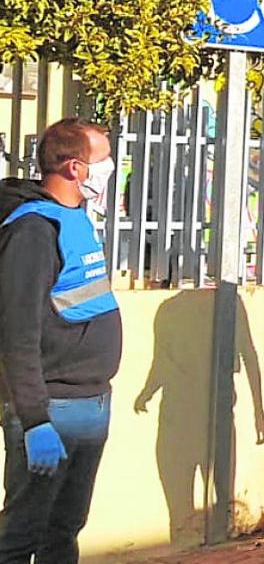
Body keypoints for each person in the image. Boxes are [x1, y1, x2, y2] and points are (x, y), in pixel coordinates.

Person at [0, 119, 123, 563]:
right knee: (21, 536)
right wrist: (34, 421)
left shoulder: (73, 219)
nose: (112, 167)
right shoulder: (32, 230)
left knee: (63, 531)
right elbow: (16, 333)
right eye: (104, 159)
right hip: (52, 411)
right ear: (76, 168)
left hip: (90, 405)